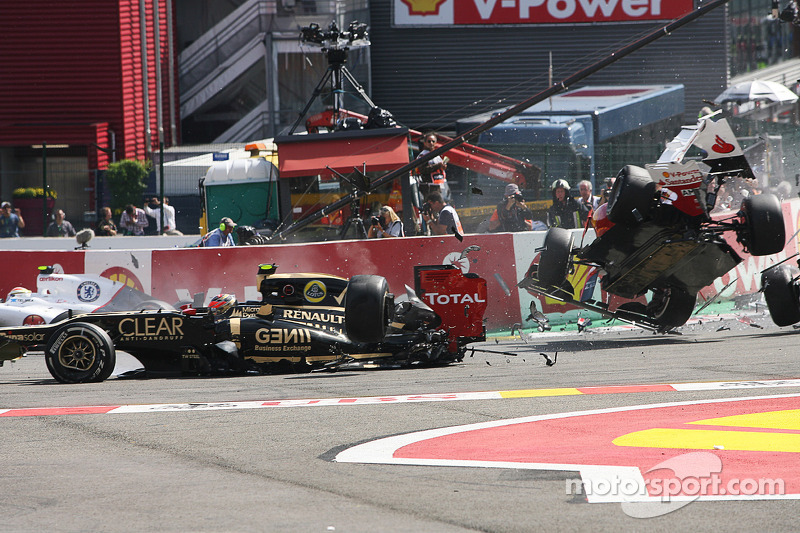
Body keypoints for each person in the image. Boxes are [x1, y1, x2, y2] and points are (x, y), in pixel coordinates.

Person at [415, 133, 450, 203]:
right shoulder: (423, 155)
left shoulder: (437, 155)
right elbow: (423, 170)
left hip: (439, 185)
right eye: (429, 141)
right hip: (428, 187)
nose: (431, 143)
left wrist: (442, 167)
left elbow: (439, 168)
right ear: (424, 143)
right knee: (431, 208)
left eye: (433, 141)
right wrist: (438, 165)